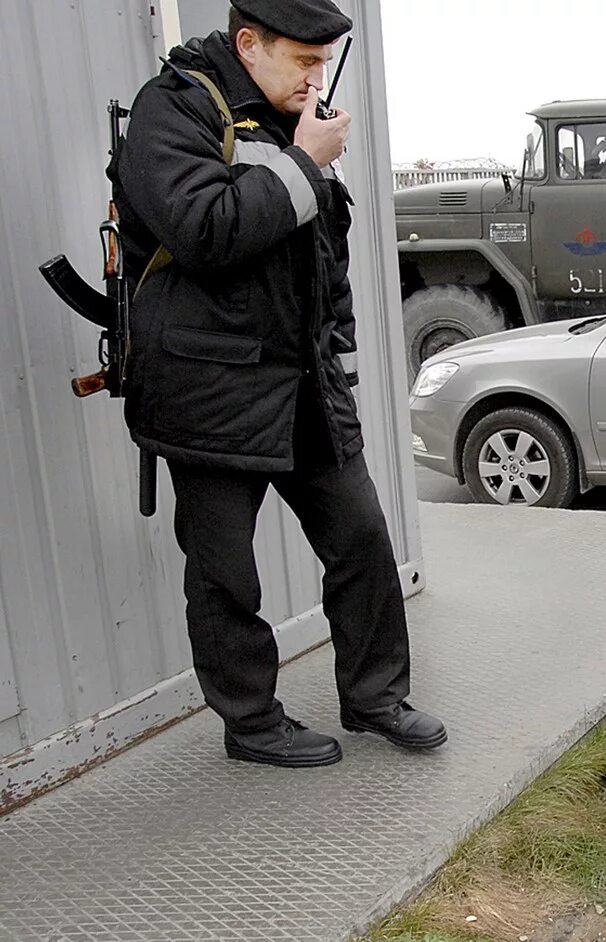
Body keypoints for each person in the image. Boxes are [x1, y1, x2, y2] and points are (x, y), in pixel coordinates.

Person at [113, 0, 445, 768]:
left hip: (304, 388)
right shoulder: (175, 109)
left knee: (362, 541)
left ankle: (375, 698)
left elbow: (326, 265)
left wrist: (343, 370)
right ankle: (251, 721)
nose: (315, 75)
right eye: (302, 59)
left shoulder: (293, 123)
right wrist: (305, 163)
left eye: (323, 61)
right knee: (225, 571)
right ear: (248, 43)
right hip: (208, 395)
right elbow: (204, 229)